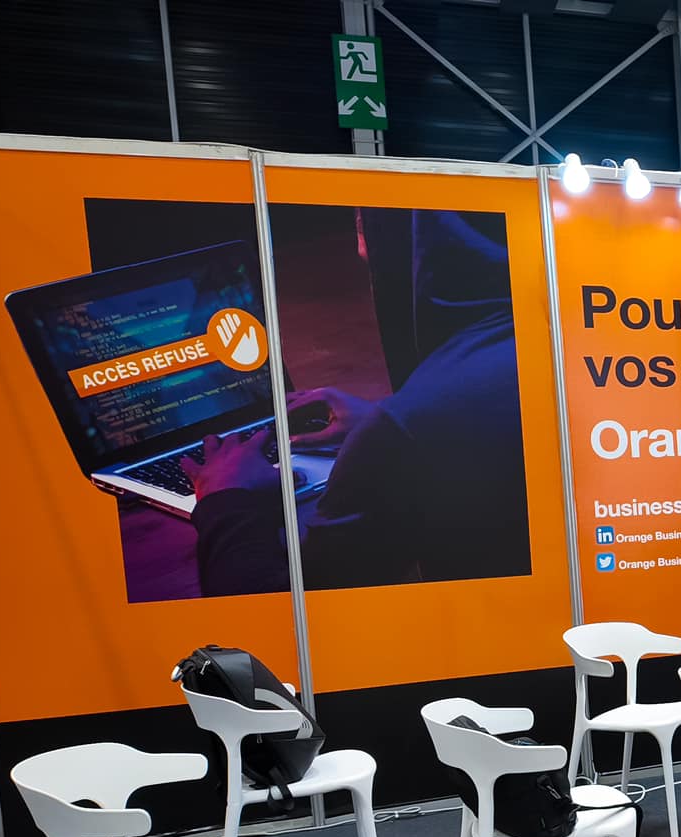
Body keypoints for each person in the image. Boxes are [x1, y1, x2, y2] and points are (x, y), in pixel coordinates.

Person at [183, 209, 531, 596]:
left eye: (365, 225)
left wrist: (225, 500)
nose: (360, 247)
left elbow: (274, 613)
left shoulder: (413, 428)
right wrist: (389, 419)